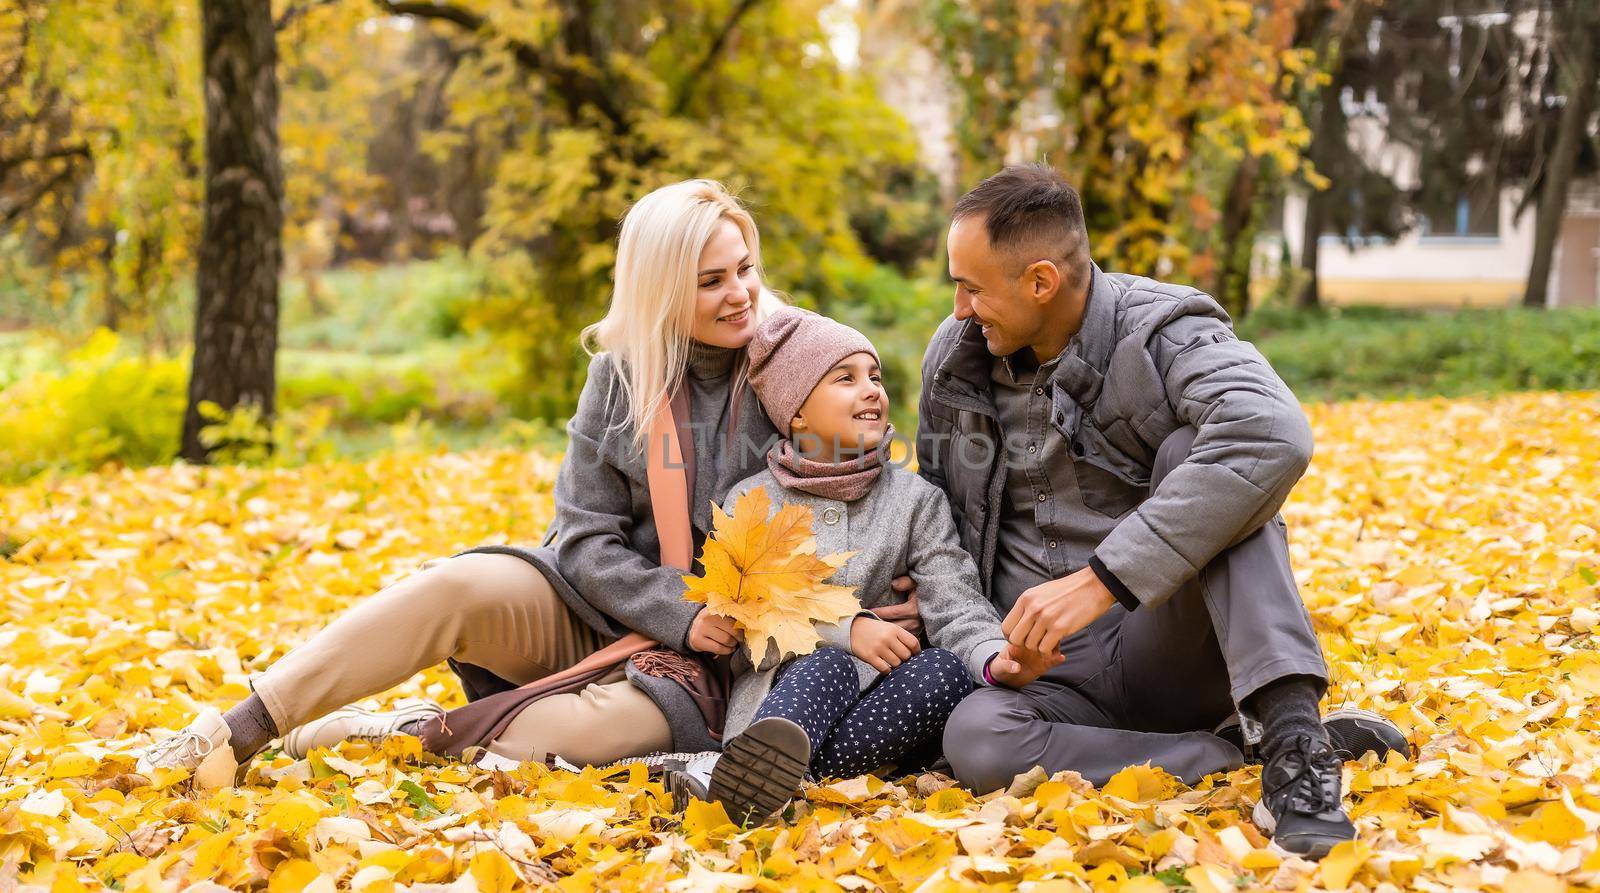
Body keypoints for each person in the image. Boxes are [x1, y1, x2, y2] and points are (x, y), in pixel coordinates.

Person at [137, 179, 834, 780]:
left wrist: (712, 623)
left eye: (745, 268)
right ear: (659, 289)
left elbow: (853, 495)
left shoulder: (794, 366)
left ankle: (402, 732)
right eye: (712, 281)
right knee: (454, 586)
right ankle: (240, 727)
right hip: (599, 607)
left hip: (710, 663)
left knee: (568, 740)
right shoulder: (618, 379)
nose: (741, 293)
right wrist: (675, 608)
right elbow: (586, 540)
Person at [922, 165, 1409, 859]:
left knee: (1211, 464)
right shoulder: (954, 359)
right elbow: (937, 514)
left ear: (1040, 281)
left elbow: (1275, 433)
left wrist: (1099, 581)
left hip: (1164, 638)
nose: (961, 308)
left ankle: (1298, 751)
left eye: (971, 287)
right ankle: (1237, 752)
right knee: (973, 737)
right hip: (1048, 682)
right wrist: (977, 640)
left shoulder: (1162, 327)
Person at [661, 307, 1058, 825]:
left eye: (875, 376)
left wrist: (992, 656)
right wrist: (848, 632)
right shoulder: (750, 502)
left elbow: (954, 600)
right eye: (845, 379)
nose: (871, 389)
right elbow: (746, 616)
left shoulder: (915, 501)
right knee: (825, 664)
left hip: (880, 705)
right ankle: (758, 768)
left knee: (946, 670)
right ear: (796, 412)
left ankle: (756, 782)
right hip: (782, 697)